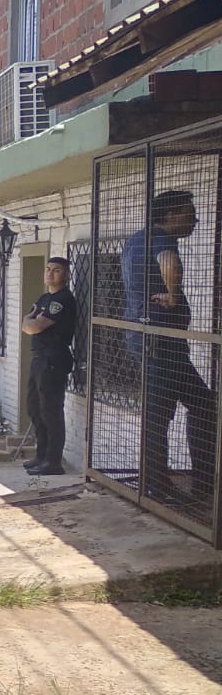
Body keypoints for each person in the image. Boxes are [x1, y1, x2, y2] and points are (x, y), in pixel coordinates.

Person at [121, 190, 216, 505]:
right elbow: (169, 263)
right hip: (158, 339)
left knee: (202, 403)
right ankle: (156, 487)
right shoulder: (160, 239)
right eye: (190, 212)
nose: (195, 219)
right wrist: (174, 296)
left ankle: (202, 482)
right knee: (160, 413)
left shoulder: (135, 239)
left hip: (154, 339)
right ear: (172, 214)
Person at [20, 255, 76, 476]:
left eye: (56, 270)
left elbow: (33, 326)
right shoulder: (44, 298)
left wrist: (29, 322)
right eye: (48, 269)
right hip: (39, 358)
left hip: (53, 358)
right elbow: (27, 322)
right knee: (34, 408)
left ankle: (53, 461)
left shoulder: (61, 300)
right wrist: (29, 322)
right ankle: (41, 455)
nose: (50, 273)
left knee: (51, 410)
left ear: (66, 275)